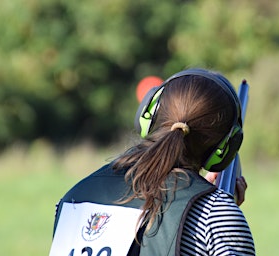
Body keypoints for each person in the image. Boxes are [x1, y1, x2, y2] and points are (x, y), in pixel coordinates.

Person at [49, 68, 255, 256]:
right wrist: (220, 213)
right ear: (225, 149)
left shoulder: (72, 200)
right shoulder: (216, 215)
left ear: (149, 115)